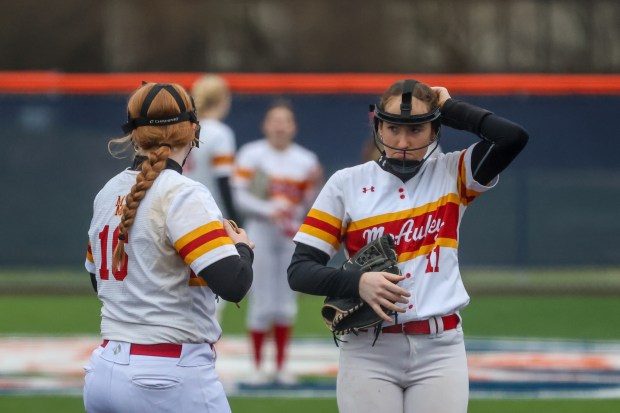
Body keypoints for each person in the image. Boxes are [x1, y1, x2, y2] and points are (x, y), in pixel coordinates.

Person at [288, 79, 528, 413]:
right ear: (378, 127)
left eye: (415, 130)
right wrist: (357, 282)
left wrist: (449, 108)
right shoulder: (347, 183)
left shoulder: (454, 172)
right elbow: (299, 271)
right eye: (393, 128)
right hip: (368, 348)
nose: (402, 142)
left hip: (440, 347)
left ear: (434, 131)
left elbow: (512, 137)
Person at [83, 82, 254, 413]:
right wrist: (243, 247)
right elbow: (233, 284)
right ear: (193, 130)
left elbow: (98, 282)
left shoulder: (107, 192)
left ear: (133, 132)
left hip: (104, 369)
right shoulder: (183, 193)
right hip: (166, 374)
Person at [232, 99, 323, 385]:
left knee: (285, 301)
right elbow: (240, 197)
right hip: (259, 233)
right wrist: (270, 209)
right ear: (265, 124)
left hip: (290, 236)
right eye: (275, 120)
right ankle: (258, 366)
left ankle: (282, 366)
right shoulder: (251, 155)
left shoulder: (306, 160)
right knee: (261, 302)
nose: (280, 126)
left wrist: (295, 214)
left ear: (294, 126)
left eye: (285, 121)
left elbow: (312, 201)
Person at [184, 74, 241, 322]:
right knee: (212, 294)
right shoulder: (220, 133)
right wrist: (237, 221)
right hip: (210, 218)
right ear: (223, 100)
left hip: (178, 213)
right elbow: (223, 181)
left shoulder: (184, 128)